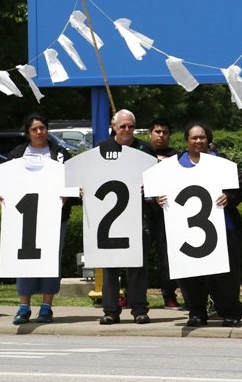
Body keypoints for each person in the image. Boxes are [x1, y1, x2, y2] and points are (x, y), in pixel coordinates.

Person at [165, 122, 242, 327]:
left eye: (202, 137)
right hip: (187, 231)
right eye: (194, 138)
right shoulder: (173, 165)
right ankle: (196, 313)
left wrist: (229, 196)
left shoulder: (223, 162)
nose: (198, 141)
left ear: (208, 140)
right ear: (186, 141)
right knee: (191, 274)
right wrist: (158, 200)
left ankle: (230, 312)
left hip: (222, 228)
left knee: (224, 276)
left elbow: (241, 187)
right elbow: (157, 191)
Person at [6, 113, 73, 325]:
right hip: (24, 218)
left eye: (42, 128)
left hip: (54, 218)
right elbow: (7, 183)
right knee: (24, 261)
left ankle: (46, 307)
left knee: (51, 261)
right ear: (27, 132)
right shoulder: (17, 154)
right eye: (34, 129)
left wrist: (67, 194)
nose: (39, 132)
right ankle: (23, 307)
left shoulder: (60, 154)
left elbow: (72, 182)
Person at [96, 109, 156, 325]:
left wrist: (147, 190)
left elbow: (155, 180)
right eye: (123, 126)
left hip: (138, 216)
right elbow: (90, 177)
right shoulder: (101, 148)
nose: (127, 130)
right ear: (114, 126)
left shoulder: (145, 149)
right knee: (110, 266)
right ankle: (110, 311)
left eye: (131, 126)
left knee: (138, 266)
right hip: (109, 220)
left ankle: (139, 309)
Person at [146, 118, 182, 310]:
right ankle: (131, 295)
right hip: (142, 214)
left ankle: (170, 296)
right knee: (137, 259)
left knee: (167, 260)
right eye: (157, 131)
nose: (161, 135)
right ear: (149, 134)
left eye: (165, 132)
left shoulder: (176, 157)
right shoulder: (140, 154)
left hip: (167, 215)